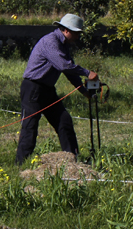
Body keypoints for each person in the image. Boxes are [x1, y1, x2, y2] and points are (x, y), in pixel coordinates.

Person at [15, 13, 99, 165]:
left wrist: (84, 91)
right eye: (76, 33)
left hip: (47, 90)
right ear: (66, 30)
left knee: (64, 121)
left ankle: (72, 161)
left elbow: (70, 72)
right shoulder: (51, 41)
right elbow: (64, 65)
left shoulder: (63, 45)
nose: (78, 36)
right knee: (30, 126)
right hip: (33, 88)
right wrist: (87, 73)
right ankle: (21, 164)